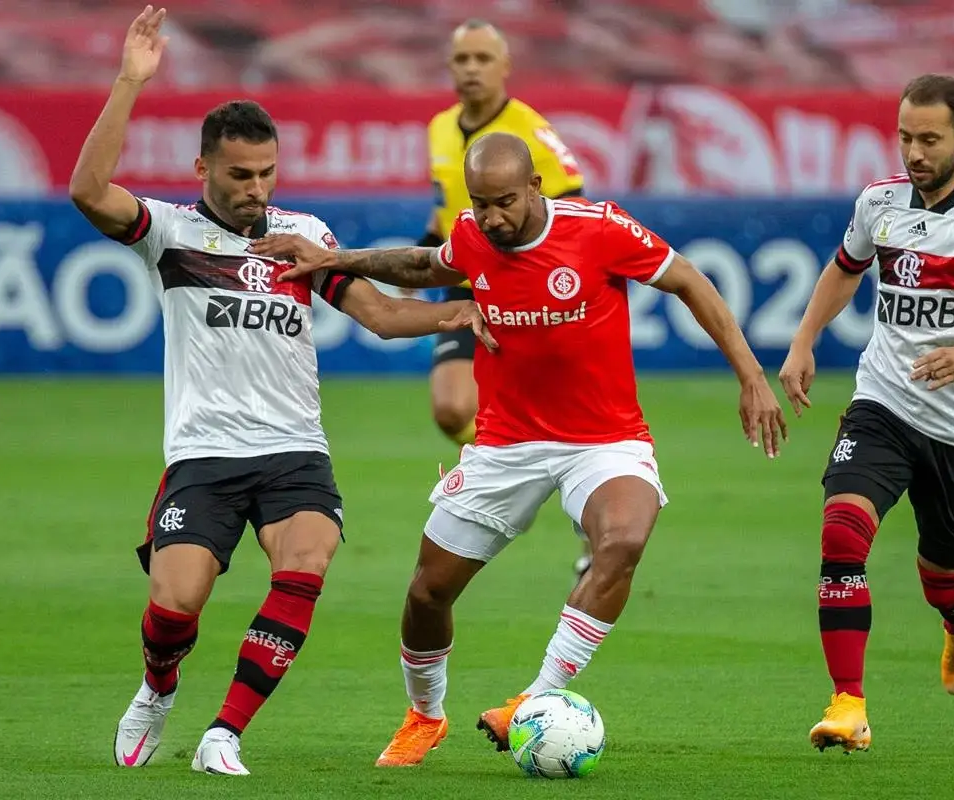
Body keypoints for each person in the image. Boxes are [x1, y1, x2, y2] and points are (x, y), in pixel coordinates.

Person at [249, 131, 789, 767]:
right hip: (505, 441)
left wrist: (752, 375)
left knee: (623, 540)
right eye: (480, 204)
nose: (492, 218)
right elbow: (427, 267)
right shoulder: (476, 235)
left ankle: (535, 699)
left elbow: (692, 281)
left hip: (603, 438)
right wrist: (339, 260)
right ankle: (424, 715)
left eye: (504, 201)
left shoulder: (600, 229)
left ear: (536, 187)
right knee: (428, 592)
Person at [68, 6, 494, 776]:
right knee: (175, 608)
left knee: (308, 562)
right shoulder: (170, 233)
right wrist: (131, 81)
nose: (255, 189)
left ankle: (225, 731)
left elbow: (383, 318)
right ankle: (158, 688)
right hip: (203, 454)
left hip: (295, 451)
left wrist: (455, 309)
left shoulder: (306, 236)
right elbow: (87, 189)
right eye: (239, 175)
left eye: (267, 173)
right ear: (204, 170)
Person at [778, 73, 954, 754]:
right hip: (884, 402)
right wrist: (804, 340)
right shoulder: (881, 202)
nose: (915, 152)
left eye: (930, 138)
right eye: (905, 136)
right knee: (842, 532)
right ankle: (848, 705)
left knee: (942, 577)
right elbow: (845, 266)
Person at [418, 18, 594, 579]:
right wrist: (422, 255)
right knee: (450, 409)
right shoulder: (439, 128)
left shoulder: (530, 132)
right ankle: (526, 467)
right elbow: (444, 207)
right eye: (461, 59)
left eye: (482, 59)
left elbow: (575, 210)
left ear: (504, 66)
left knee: (566, 413)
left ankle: (579, 505)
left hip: (525, 286)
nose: (470, 69)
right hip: (465, 278)